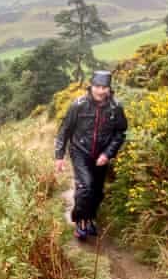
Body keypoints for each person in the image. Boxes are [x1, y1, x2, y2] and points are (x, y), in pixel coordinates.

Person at [54, 70, 128, 240]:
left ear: (109, 88)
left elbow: (120, 133)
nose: (100, 91)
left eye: (104, 87)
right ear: (91, 86)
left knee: (96, 190)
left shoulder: (116, 107)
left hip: (101, 155)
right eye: (97, 87)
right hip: (80, 151)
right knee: (85, 187)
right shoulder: (78, 105)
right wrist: (59, 156)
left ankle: (90, 218)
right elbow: (64, 130)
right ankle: (80, 221)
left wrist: (108, 154)